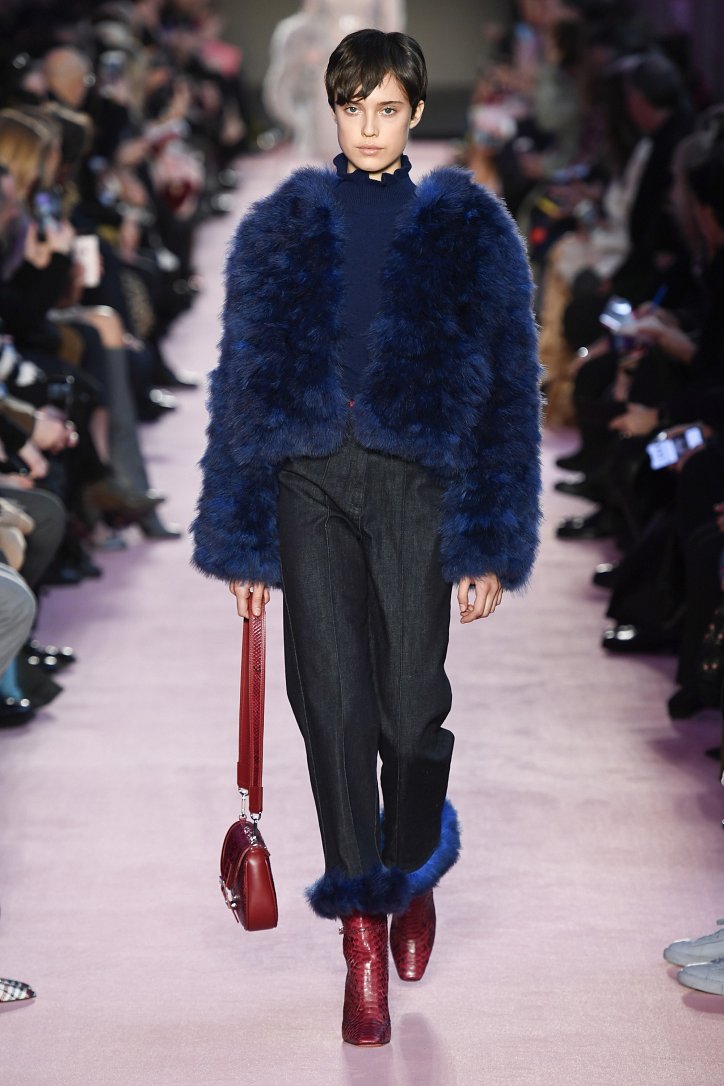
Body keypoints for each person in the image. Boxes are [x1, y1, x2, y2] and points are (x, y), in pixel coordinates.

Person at [192, 29, 542, 1047]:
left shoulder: (469, 228)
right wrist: (244, 541)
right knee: (332, 706)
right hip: (306, 476)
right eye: (354, 108)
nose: (370, 126)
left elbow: (508, 392)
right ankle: (362, 937)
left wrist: (490, 538)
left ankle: (413, 859)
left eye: (388, 109)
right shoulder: (281, 226)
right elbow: (241, 385)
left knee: (410, 708)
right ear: (334, 111)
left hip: (414, 482)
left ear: (416, 113)